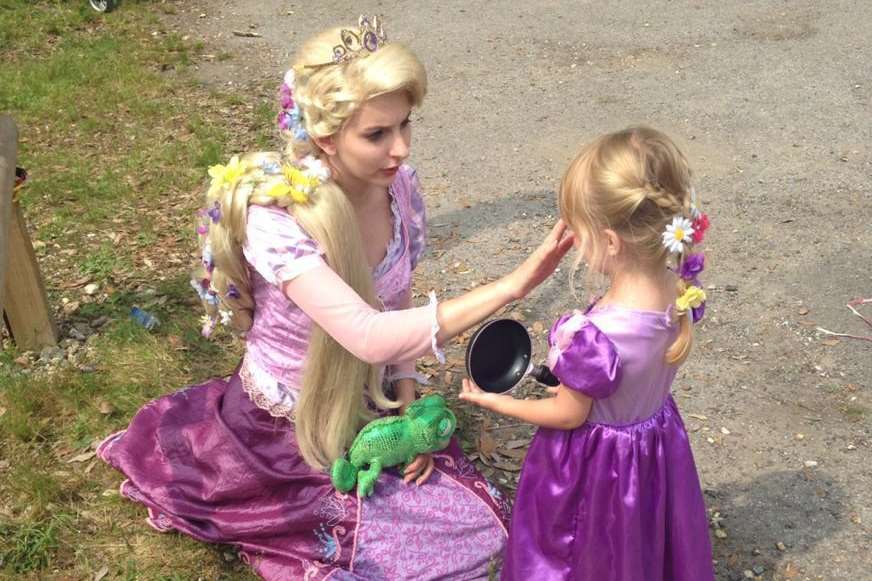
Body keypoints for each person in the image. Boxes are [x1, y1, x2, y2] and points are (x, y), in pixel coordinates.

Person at [97, 16, 572, 581]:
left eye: (405, 126)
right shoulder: (277, 217)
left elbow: (397, 306)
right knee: (405, 554)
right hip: (293, 425)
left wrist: (407, 401)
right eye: (376, 134)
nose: (399, 149)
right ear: (325, 137)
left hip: (369, 402)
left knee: (488, 526)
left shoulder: (396, 186)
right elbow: (365, 333)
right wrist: (513, 286)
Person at [460, 127, 715, 580]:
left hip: (597, 469)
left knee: (584, 549)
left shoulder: (593, 338)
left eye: (578, 230)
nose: (574, 240)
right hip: (653, 448)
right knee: (636, 540)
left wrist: (495, 402)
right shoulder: (680, 290)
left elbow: (569, 416)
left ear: (611, 242)